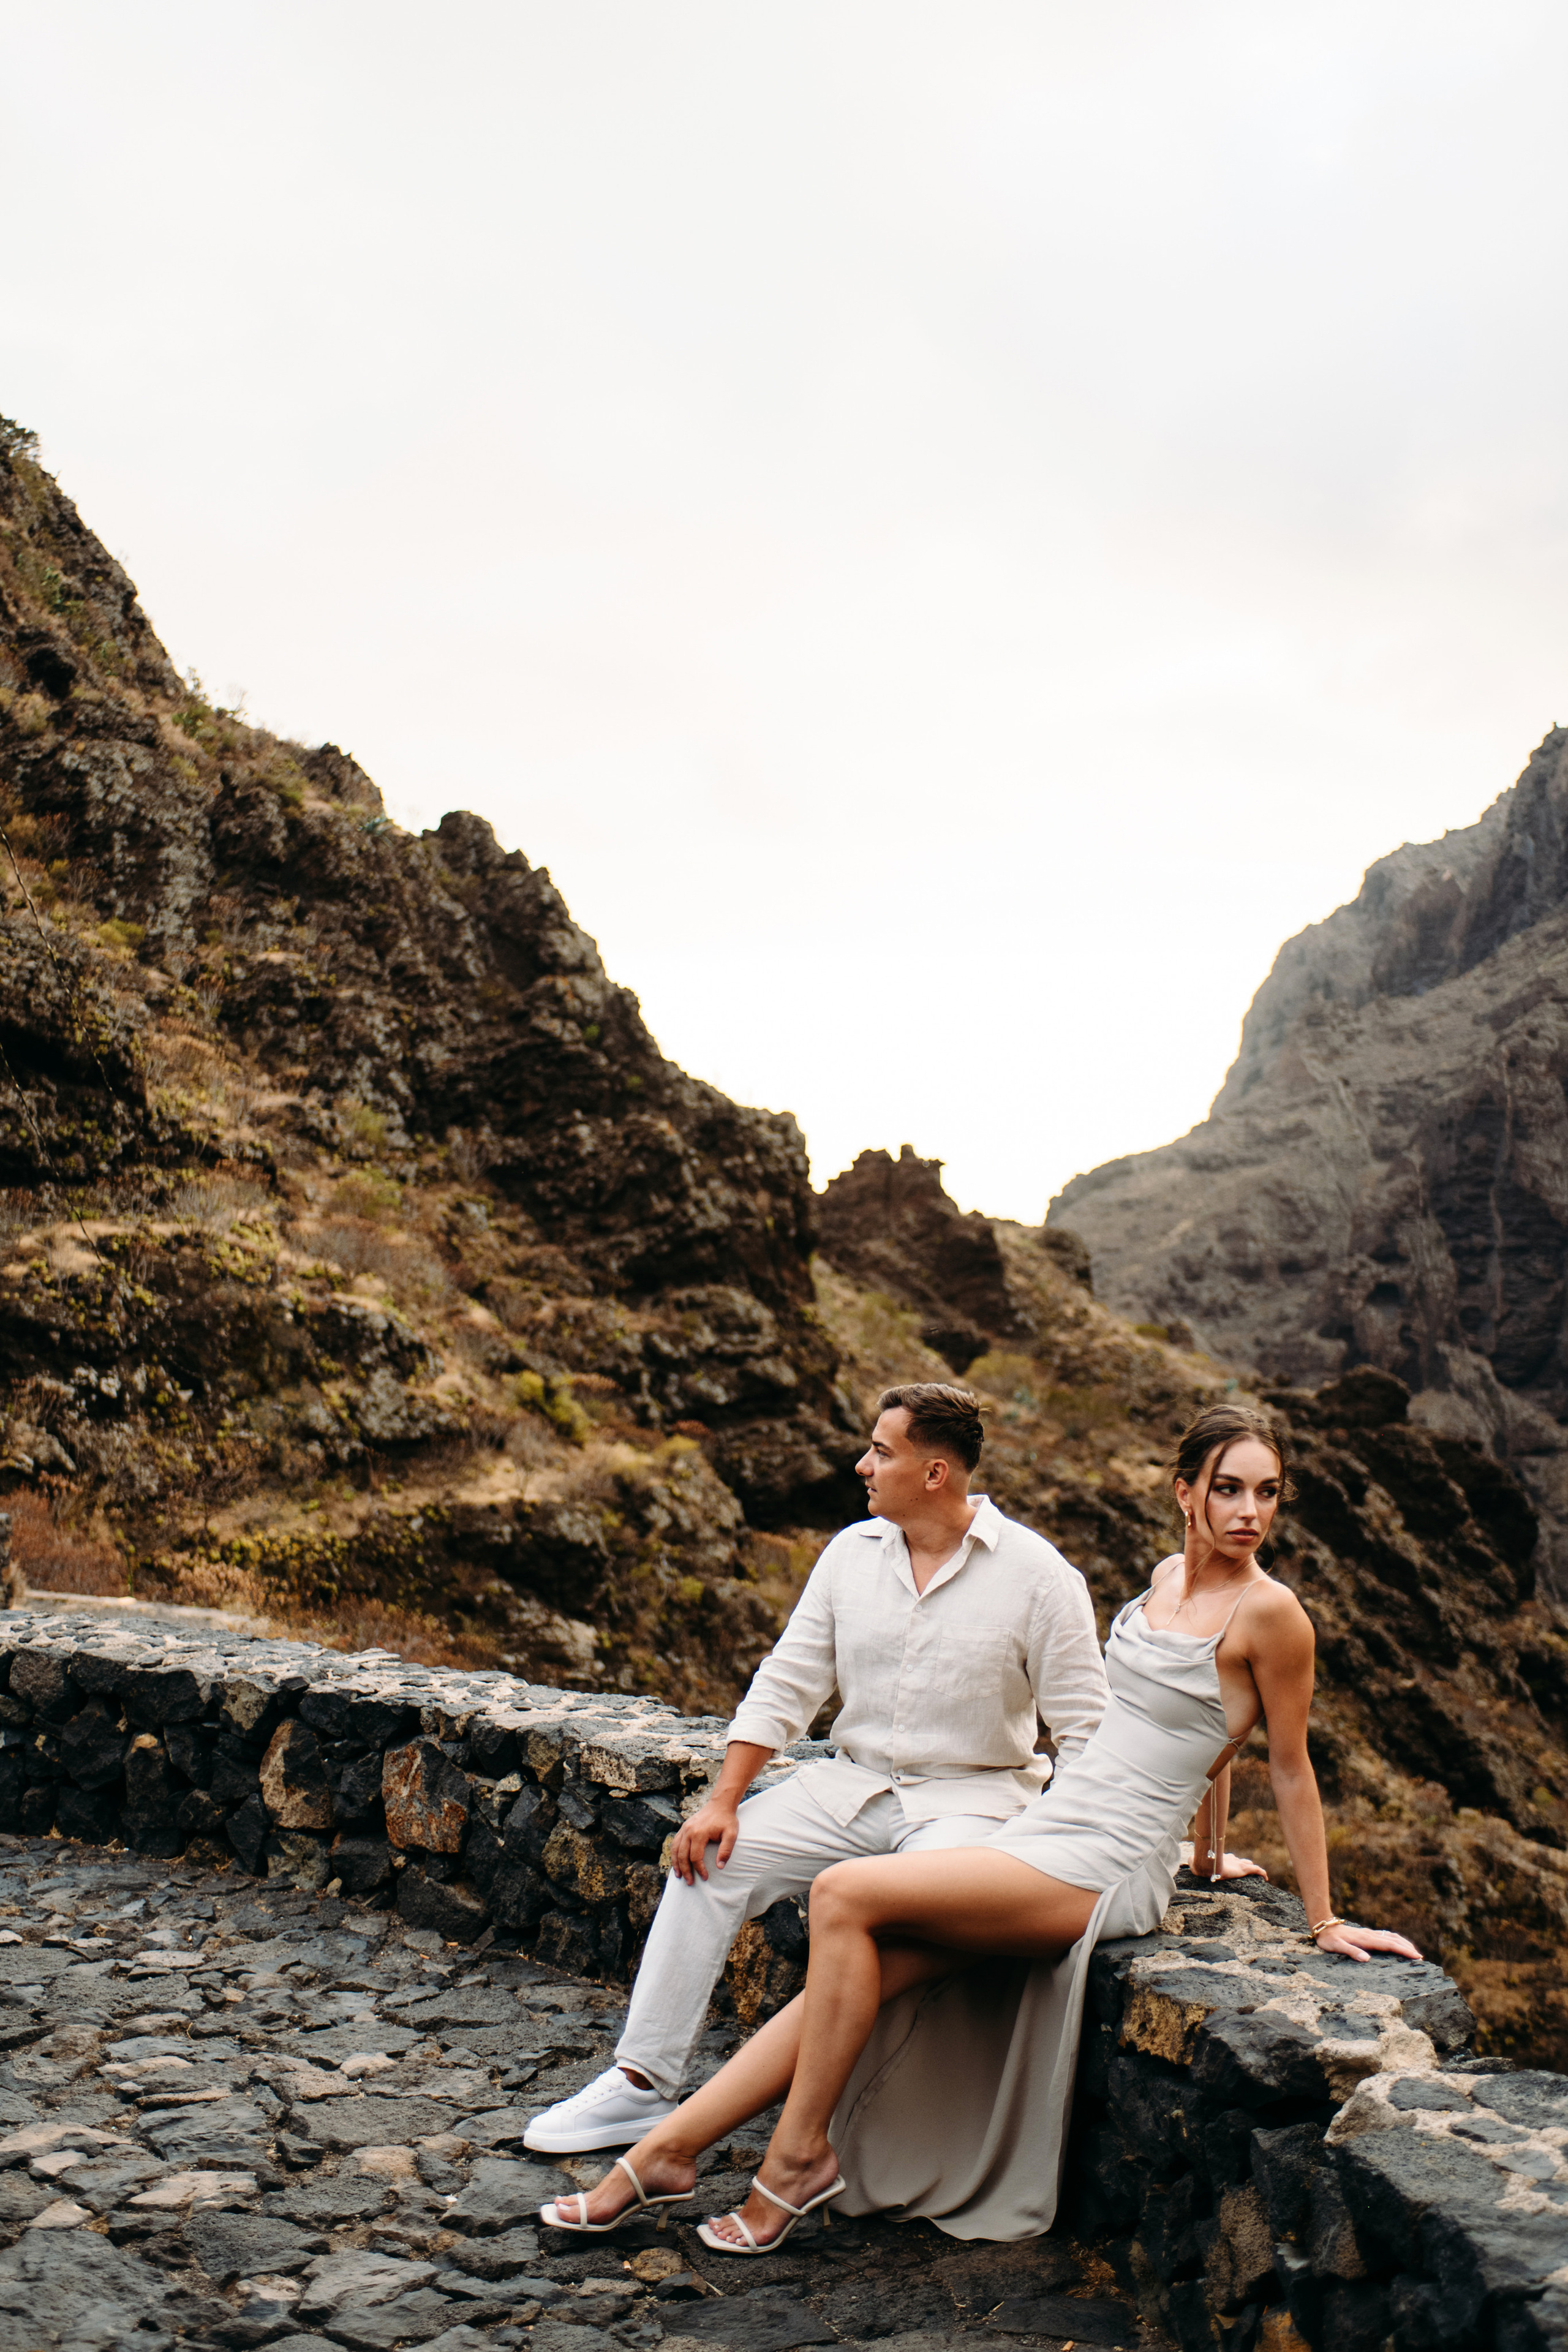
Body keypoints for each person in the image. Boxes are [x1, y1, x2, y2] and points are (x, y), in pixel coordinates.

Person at [539, 1401, 1422, 2246]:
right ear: (1185, 1491)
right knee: (867, 1968)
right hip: (1056, 1822)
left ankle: (795, 2161)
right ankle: (665, 2152)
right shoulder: (1165, 1578)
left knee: (843, 1895)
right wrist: (1208, 1854)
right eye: (1229, 1489)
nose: (1250, 1512)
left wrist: (1322, 1920)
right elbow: (1204, 1735)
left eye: (1267, 1493)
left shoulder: (1272, 1613)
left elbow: (1287, 1763)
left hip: (1108, 1863)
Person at [523, 1381, 1110, 2154]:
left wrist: (1082, 1848)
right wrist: (723, 1801)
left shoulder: (1038, 1575)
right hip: (848, 1787)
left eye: (880, 1452)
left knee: (903, 1921)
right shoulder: (849, 1555)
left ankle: (858, 2126)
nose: (862, 1465)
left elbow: (1086, 1730)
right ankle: (640, 2085)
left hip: (972, 1805)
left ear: (934, 1473)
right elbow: (787, 1682)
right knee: (707, 1862)